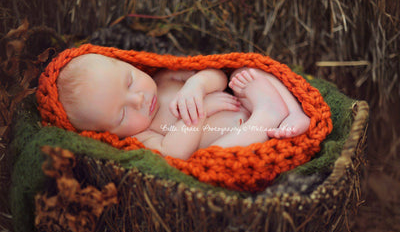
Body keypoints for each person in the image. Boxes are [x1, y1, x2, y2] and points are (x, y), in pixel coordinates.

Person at [57, 54, 310, 160]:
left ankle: (294, 112)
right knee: (211, 156)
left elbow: (219, 76)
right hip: (244, 137)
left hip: (247, 100)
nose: (138, 100)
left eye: (130, 82)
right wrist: (202, 112)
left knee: (246, 71)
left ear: (131, 65)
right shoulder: (142, 136)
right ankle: (268, 116)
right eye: (122, 114)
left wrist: (196, 86)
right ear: (107, 133)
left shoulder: (165, 78)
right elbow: (173, 153)